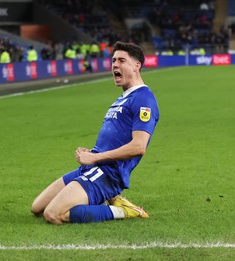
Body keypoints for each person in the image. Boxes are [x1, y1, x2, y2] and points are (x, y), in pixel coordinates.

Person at [31, 41, 160, 224]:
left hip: (108, 173)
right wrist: (92, 153)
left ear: (137, 65)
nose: (115, 64)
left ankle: (122, 211)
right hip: (93, 166)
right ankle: (104, 198)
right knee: (37, 207)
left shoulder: (144, 99)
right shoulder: (123, 98)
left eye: (122, 60)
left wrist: (96, 158)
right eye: (113, 60)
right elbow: (113, 137)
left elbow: (138, 146)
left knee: (53, 214)